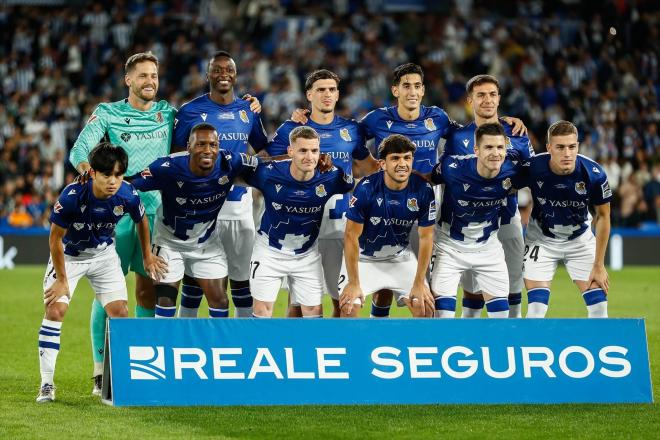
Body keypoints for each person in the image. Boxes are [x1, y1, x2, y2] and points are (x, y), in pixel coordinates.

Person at [68, 51, 176, 392]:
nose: (150, 82)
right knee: (108, 292)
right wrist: (96, 184)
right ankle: (101, 370)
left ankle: (138, 363)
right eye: (143, 76)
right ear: (128, 80)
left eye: (154, 76)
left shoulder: (168, 114)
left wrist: (249, 106)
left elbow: (209, 126)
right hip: (118, 217)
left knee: (148, 290)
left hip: (158, 215)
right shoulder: (108, 113)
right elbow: (78, 152)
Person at [36, 143, 166, 403]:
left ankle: (110, 381)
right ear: (93, 173)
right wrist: (62, 280)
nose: (113, 181)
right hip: (70, 257)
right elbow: (55, 240)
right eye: (107, 175)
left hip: (104, 255)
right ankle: (47, 384)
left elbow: (141, 221)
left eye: (118, 175)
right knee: (55, 310)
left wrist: (148, 255)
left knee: (120, 313)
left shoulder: (128, 194)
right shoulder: (72, 195)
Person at [270, 70, 379, 317]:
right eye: (320, 90)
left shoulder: (351, 129)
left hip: (342, 226)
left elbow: (368, 167)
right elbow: (266, 161)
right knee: (299, 304)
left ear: (338, 94)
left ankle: (339, 350)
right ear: (309, 94)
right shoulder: (292, 127)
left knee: (343, 301)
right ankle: (295, 352)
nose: (327, 94)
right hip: (302, 224)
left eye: (331, 89)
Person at [172, 51, 268, 318]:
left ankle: (241, 342)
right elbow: (176, 154)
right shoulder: (190, 111)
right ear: (208, 75)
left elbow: (264, 150)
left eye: (229, 70)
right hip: (200, 206)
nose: (223, 74)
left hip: (238, 204)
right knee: (194, 279)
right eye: (217, 70)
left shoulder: (248, 109)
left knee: (241, 278)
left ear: (236, 75)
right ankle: (185, 339)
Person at [129, 123, 259, 318]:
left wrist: (305, 162)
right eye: (201, 144)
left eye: (213, 145)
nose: (207, 150)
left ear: (219, 146)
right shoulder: (167, 167)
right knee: (165, 300)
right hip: (169, 242)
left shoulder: (230, 162)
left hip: (206, 244)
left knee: (220, 300)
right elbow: (129, 184)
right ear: (188, 146)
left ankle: (217, 347)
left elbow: (270, 165)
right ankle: (168, 346)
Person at [443, 74, 535, 318]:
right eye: (480, 95)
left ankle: (511, 337)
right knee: (472, 289)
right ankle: (468, 340)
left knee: (514, 284)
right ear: (470, 101)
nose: (487, 100)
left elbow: (534, 175)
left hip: (506, 218)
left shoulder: (517, 134)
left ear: (499, 99)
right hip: (468, 225)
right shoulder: (456, 137)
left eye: (492, 94)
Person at [247, 126, 355, 318]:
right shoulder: (268, 173)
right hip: (269, 251)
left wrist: (334, 163)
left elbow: (350, 183)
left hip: (306, 254)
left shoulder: (331, 175)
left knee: (314, 313)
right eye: (302, 150)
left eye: (314, 151)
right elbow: (238, 173)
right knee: (262, 311)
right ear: (290, 152)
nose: (309, 157)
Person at [429, 123, 526, 318]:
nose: (495, 153)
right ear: (476, 150)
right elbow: (427, 179)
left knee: (500, 320)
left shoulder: (514, 172)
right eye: (488, 147)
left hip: (488, 249)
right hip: (450, 248)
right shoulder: (452, 167)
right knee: (442, 318)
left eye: (500, 147)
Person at [338, 134, 436, 318]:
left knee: (425, 308)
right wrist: (353, 282)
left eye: (407, 158)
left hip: (399, 257)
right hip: (363, 259)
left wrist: (419, 282)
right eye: (395, 159)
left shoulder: (423, 189)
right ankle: (358, 346)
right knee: (349, 308)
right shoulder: (366, 189)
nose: (402, 164)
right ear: (383, 164)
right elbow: (351, 237)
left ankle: (412, 345)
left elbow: (426, 237)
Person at [522, 120, 611, 318]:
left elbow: (604, 217)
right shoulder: (533, 167)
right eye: (560, 147)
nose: (567, 153)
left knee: (599, 309)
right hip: (541, 240)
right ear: (549, 148)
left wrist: (599, 265)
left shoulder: (594, 174)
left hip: (580, 241)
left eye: (572, 147)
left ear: (578, 146)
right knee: (536, 310)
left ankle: (594, 348)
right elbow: (504, 184)